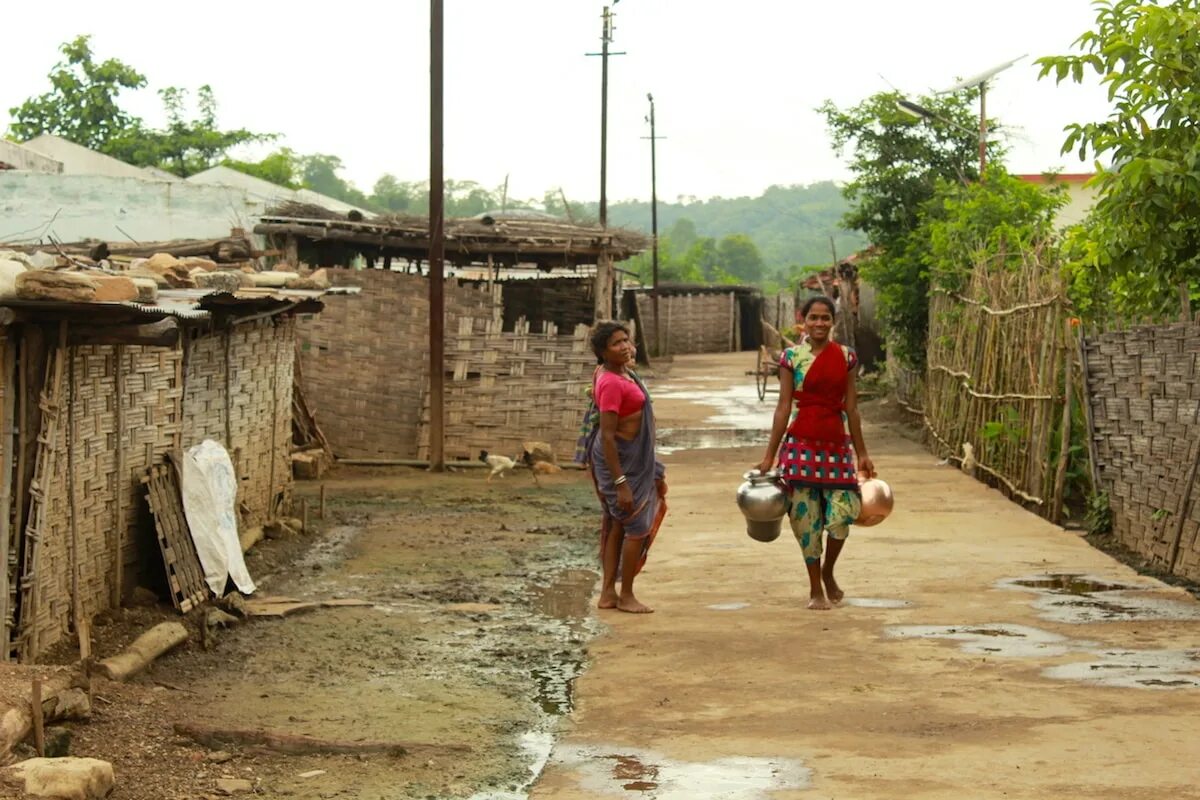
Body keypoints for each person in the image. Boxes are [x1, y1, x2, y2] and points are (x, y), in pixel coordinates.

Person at [756, 296, 875, 610]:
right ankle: (815, 590)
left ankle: (828, 571)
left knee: (843, 515)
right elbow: (783, 407)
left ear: (832, 321)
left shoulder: (847, 357)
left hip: (836, 445)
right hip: (800, 445)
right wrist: (770, 455)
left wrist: (862, 453)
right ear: (802, 320)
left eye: (825, 318)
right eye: (813, 318)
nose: (819, 324)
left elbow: (851, 407)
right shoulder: (791, 358)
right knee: (805, 518)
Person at [575, 321, 667, 613]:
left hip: (632, 458)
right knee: (636, 527)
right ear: (602, 352)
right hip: (621, 460)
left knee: (617, 523)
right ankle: (626, 595)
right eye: (616, 344)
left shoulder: (619, 371)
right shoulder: (611, 382)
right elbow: (608, 435)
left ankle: (607, 593)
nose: (625, 346)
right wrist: (621, 482)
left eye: (626, 340)